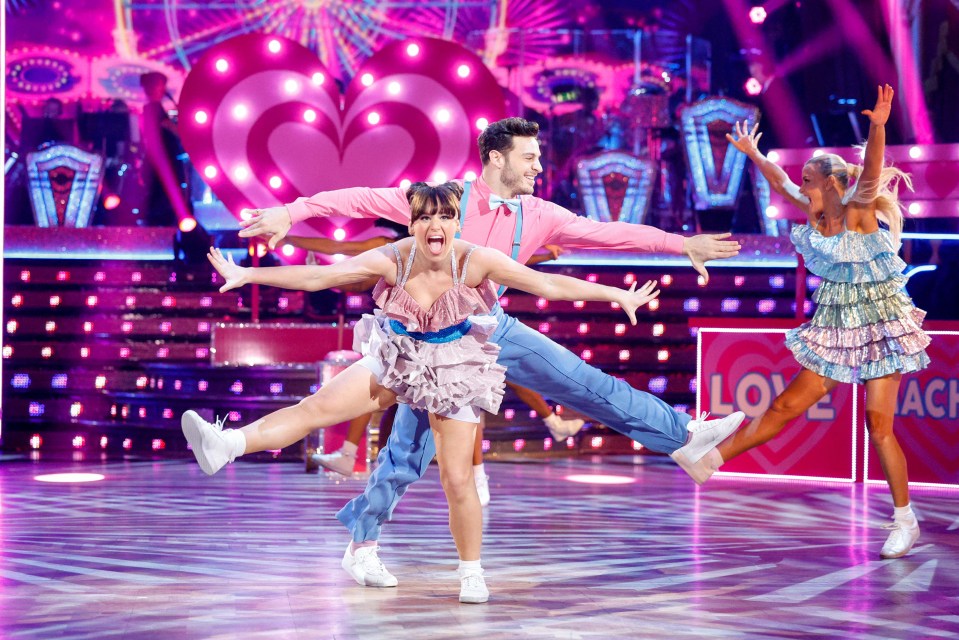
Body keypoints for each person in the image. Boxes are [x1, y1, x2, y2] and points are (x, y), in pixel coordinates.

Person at [238, 117, 746, 586]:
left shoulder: (540, 213)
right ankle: (363, 542)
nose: (540, 167)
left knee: (585, 381)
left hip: (491, 329)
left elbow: (609, 233)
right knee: (407, 454)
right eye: (530, 157)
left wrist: (681, 245)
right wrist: (291, 210)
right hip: (425, 343)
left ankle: (682, 435)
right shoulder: (441, 200)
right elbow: (357, 199)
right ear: (497, 159)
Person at [182, 181, 663, 604]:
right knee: (318, 408)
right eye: (425, 216)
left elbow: (547, 284)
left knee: (457, 477)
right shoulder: (392, 257)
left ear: (457, 222)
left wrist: (616, 295)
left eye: (445, 216)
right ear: (411, 224)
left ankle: (471, 573)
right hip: (398, 353)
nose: (436, 225)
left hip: (454, 366)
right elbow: (318, 276)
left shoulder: (476, 260)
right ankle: (228, 444)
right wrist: (248, 276)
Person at [722, 85, 930, 559]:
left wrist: (877, 127)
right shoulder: (815, 213)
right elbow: (778, 183)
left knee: (879, 426)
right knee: (791, 406)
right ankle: (711, 458)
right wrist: (754, 152)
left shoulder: (857, 207)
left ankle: (905, 519)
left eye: (808, 178)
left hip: (883, 326)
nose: (802, 185)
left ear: (830, 181)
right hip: (840, 326)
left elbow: (873, 170)